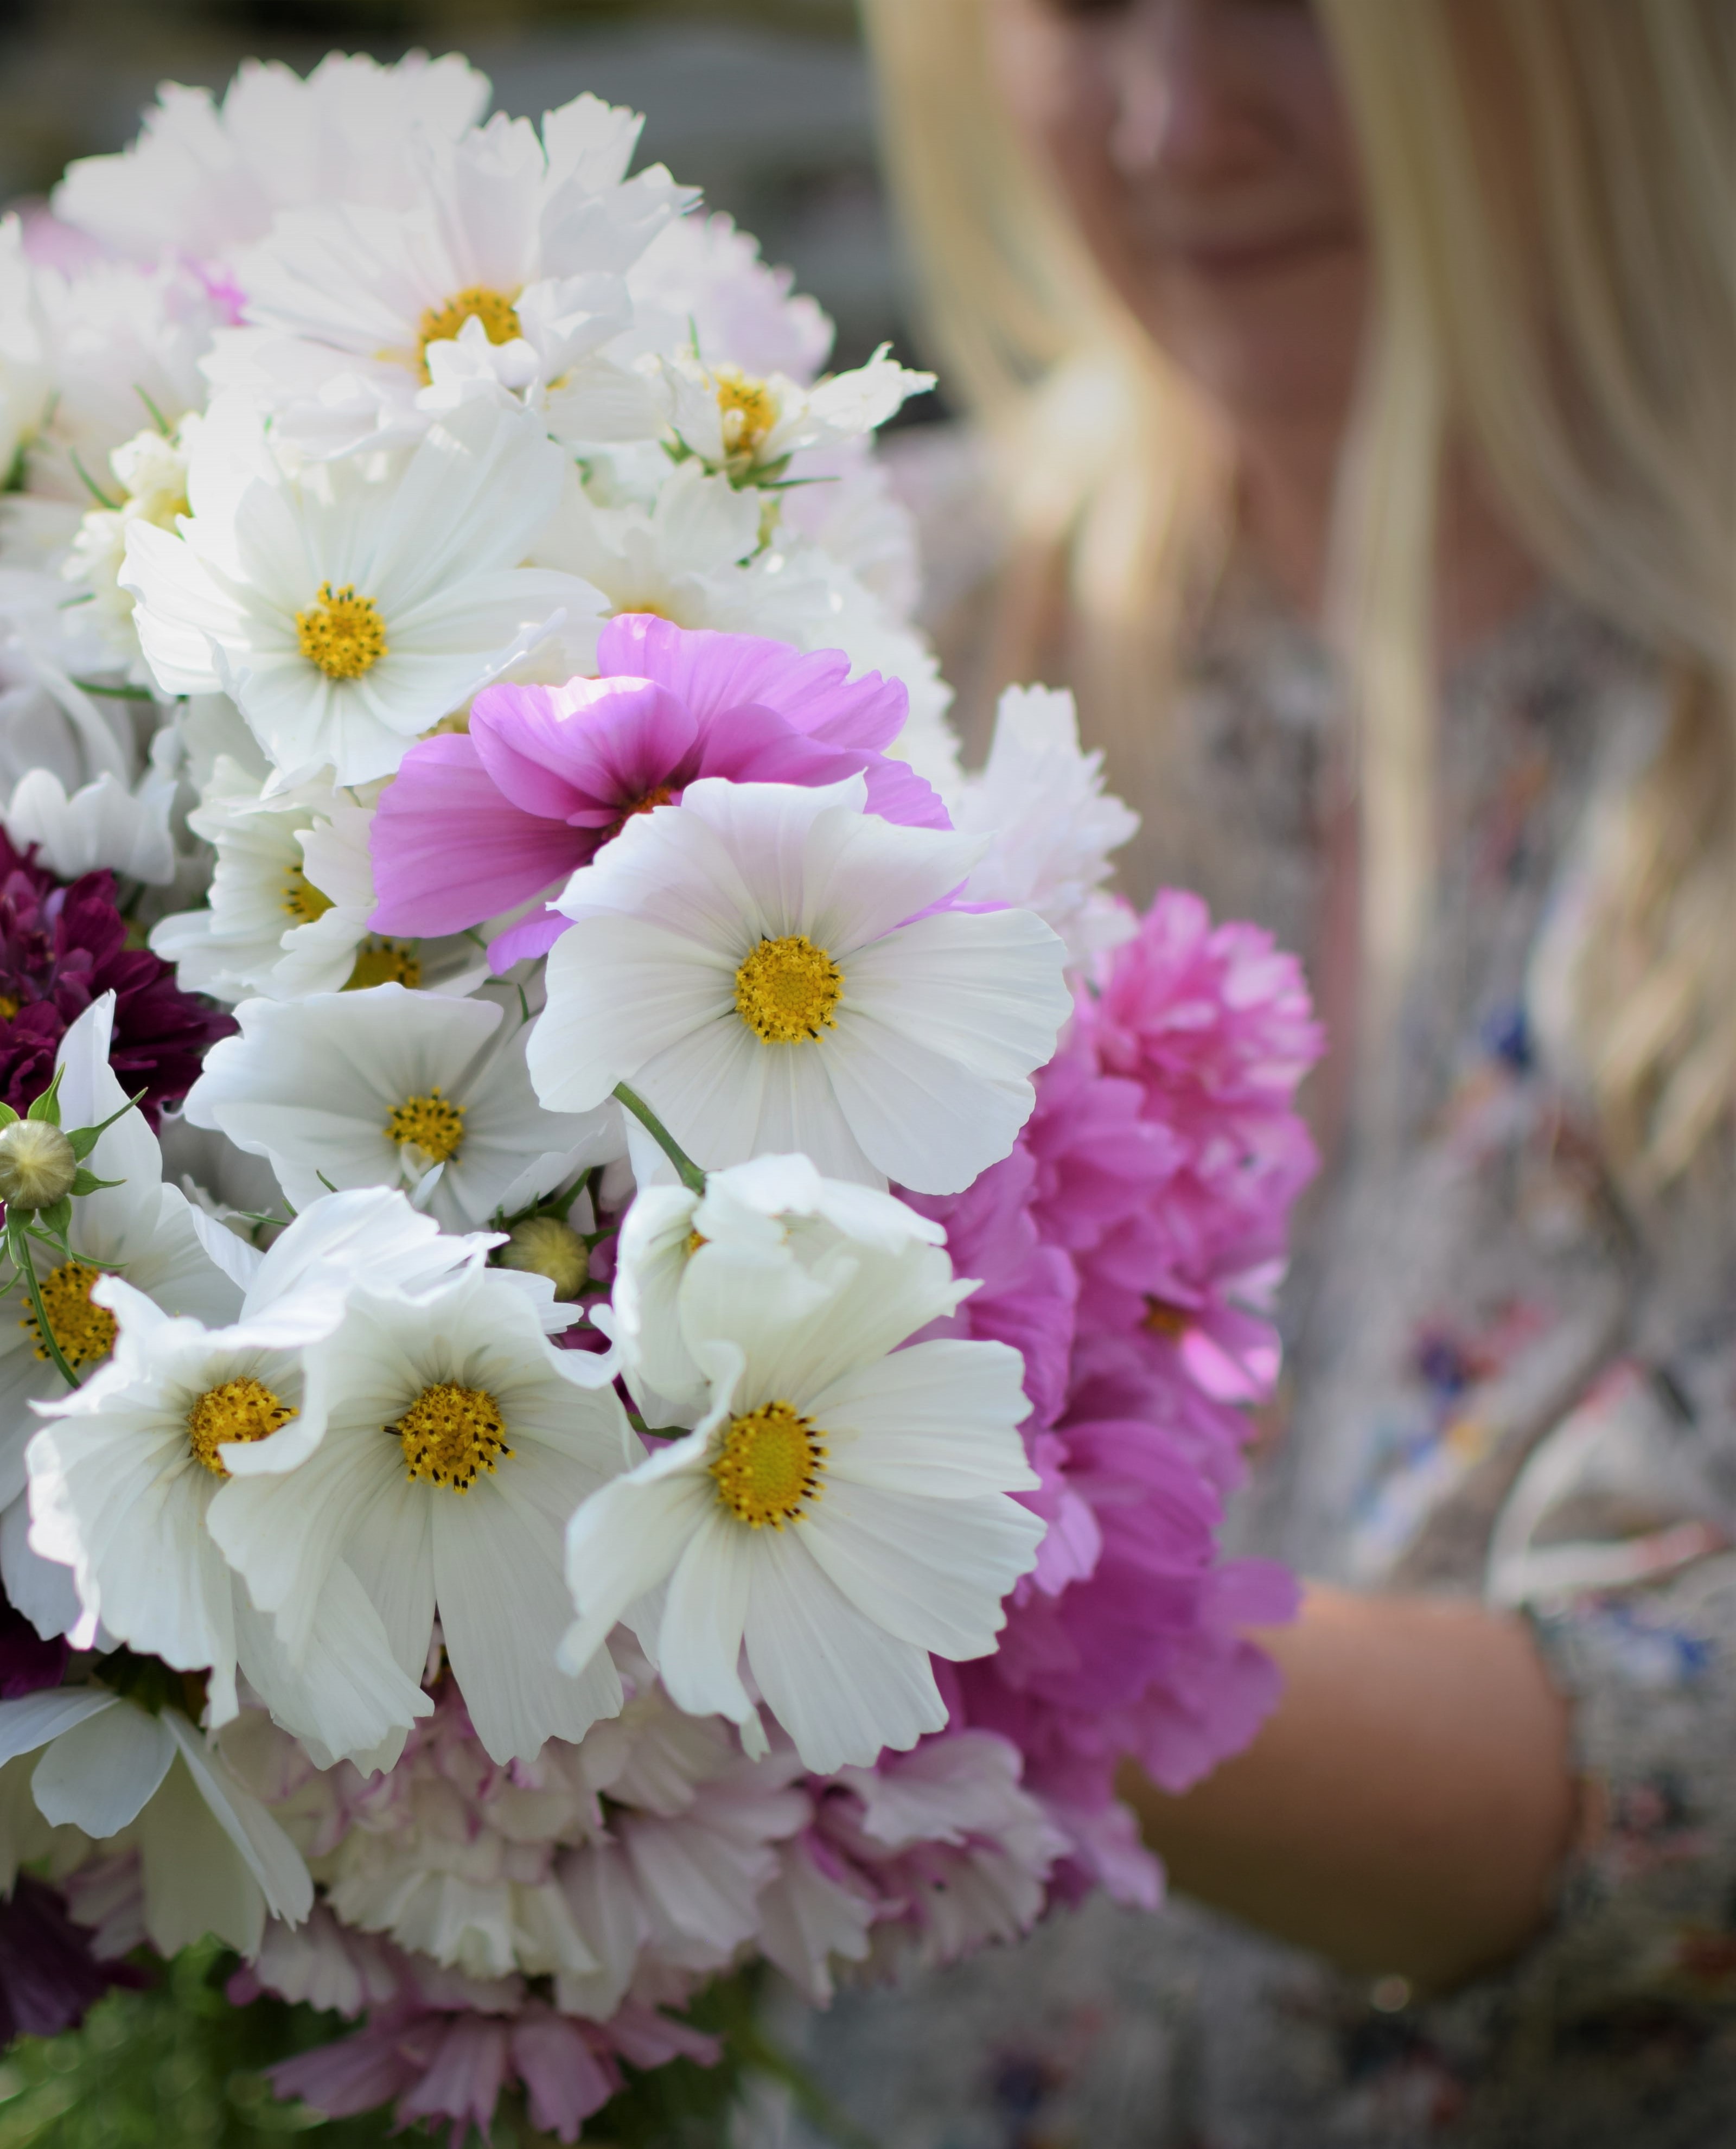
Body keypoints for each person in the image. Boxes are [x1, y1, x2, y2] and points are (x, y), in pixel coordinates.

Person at [799, 2, 1736, 2141]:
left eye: (1301, 6)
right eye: (1080, 8)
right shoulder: (854, 646)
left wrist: (869, 1569)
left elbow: (1697, 1791)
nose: (1175, 121)